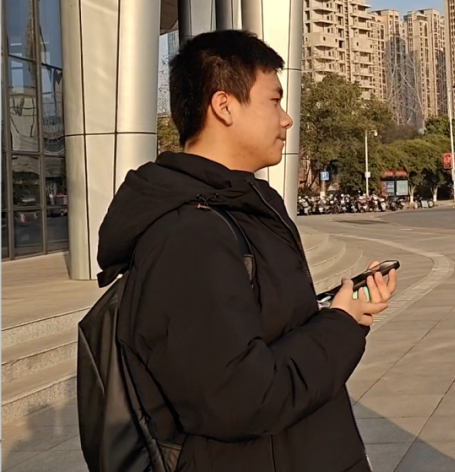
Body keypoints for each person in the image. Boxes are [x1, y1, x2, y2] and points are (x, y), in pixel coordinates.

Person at [96, 30, 394, 471]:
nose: (286, 119)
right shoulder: (188, 236)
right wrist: (340, 326)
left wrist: (340, 313)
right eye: (274, 101)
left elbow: (262, 334)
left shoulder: (239, 209)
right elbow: (242, 398)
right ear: (224, 106)